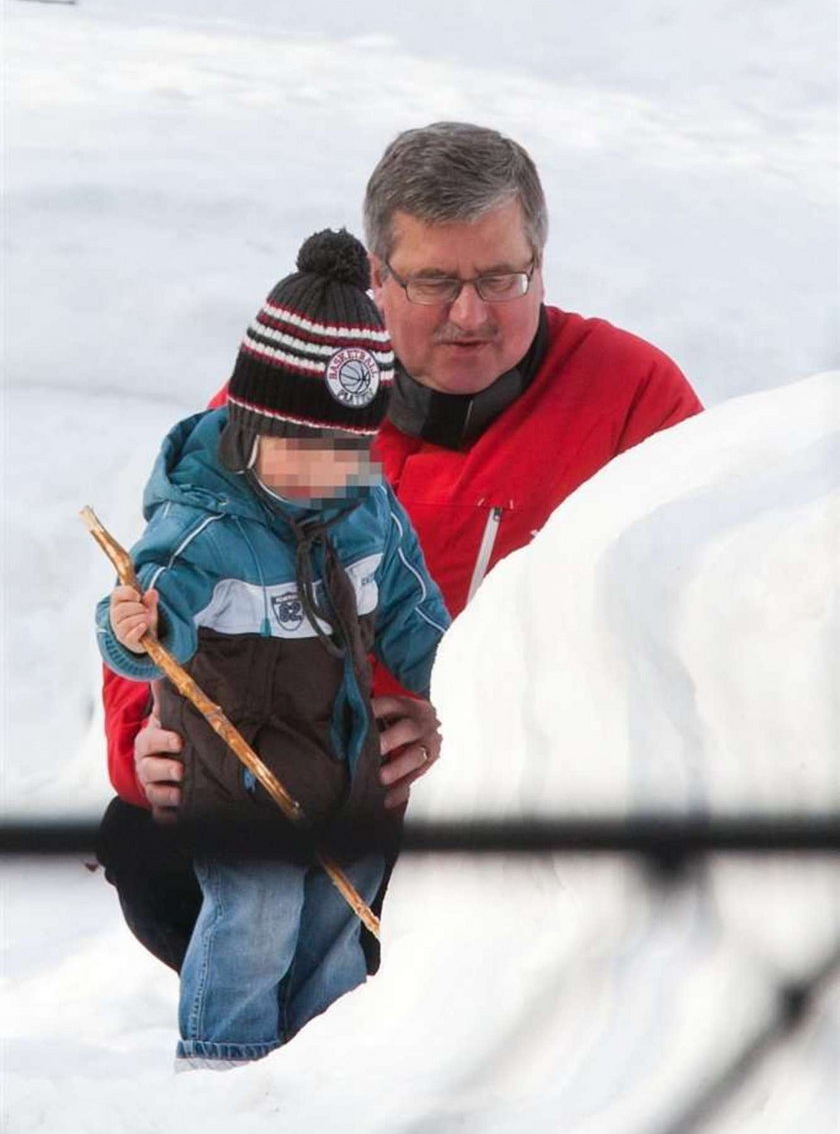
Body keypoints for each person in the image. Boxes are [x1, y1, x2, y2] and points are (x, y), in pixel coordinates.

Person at [98, 120, 702, 974]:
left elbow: (697, 622)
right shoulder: (288, 391)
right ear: (377, 278)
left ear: (540, 264)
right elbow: (166, 570)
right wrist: (143, 739)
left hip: (518, 811)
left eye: (502, 276)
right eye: (434, 281)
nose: (471, 314)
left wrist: (471, 727)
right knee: (153, 853)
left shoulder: (634, 394)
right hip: (303, 786)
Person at [95, 229, 448, 1067]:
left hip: (340, 755)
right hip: (237, 772)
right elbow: (139, 630)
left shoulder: (369, 511)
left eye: (349, 452)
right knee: (254, 911)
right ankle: (225, 1060)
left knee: (341, 905)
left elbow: (414, 611)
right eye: (306, 450)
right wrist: (136, 627)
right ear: (254, 424)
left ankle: (320, 1063)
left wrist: (472, 681)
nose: (329, 473)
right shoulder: (203, 527)